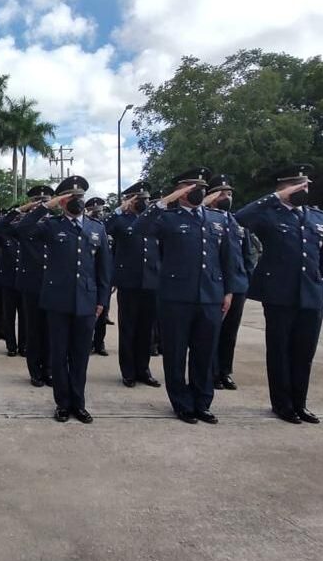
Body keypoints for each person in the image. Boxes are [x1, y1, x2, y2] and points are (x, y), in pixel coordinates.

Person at [134, 167, 234, 425]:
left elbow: (227, 258)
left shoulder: (217, 219)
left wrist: (228, 291)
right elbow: (138, 228)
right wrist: (164, 201)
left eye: (201, 187)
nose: (199, 191)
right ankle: (182, 403)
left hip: (210, 296)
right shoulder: (167, 218)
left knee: (205, 353)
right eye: (191, 187)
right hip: (176, 297)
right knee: (176, 353)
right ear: (180, 192)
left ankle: (202, 402)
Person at [236, 164, 323, 424]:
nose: (305, 190)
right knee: (279, 351)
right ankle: (282, 404)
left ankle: (300, 403)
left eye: (306, 185)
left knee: (304, 352)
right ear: (283, 188)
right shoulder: (268, 215)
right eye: (299, 185)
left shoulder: (317, 217)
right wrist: (275, 197)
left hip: (311, 294)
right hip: (279, 294)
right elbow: (240, 217)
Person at [15, 176, 110, 424]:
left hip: (87, 302)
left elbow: (104, 269)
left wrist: (102, 300)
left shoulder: (97, 228)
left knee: (80, 356)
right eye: (71, 197)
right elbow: (22, 230)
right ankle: (63, 404)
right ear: (62, 201)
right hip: (57, 301)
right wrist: (45, 206)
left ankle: (79, 403)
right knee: (58, 356)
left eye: (80, 196)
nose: (77, 201)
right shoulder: (51, 225)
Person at [0, 187, 54, 386]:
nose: (42, 204)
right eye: (37, 201)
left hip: (54, 285)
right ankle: (36, 371)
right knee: (33, 330)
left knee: (51, 332)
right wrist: (18, 211)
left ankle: (49, 370)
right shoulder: (21, 226)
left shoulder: (57, 223)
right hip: (31, 285)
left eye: (45, 201)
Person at [106, 181, 162, 388]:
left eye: (146, 198)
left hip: (151, 281)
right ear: (129, 200)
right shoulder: (121, 220)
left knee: (146, 330)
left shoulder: (155, 220)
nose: (144, 202)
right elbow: (104, 227)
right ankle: (128, 371)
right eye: (139, 199)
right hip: (129, 282)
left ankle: (143, 370)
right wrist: (119, 209)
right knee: (128, 328)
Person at [203, 175, 254, 391]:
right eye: (222, 194)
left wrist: (246, 279)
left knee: (230, 332)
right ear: (211, 196)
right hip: (215, 284)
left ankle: (225, 371)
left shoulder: (237, 221)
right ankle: (211, 372)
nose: (227, 198)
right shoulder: (205, 219)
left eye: (230, 194)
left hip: (238, 284)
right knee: (211, 331)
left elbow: (248, 254)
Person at [0, 206, 26, 357]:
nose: (18, 222)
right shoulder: (4, 236)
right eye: (16, 219)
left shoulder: (28, 236)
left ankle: (23, 346)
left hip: (24, 283)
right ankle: (11, 346)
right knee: (8, 317)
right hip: (8, 283)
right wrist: (12, 214)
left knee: (24, 318)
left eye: (20, 219)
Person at [86, 197, 111, 357]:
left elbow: (109, 257)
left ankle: (99, 342)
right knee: (88, 313)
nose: (97, 214)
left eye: (100, 211)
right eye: (94, 211)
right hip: (88, 276)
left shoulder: (104, 227)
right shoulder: (87, 227)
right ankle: (88, 342)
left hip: (102, 276)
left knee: (102, 312)